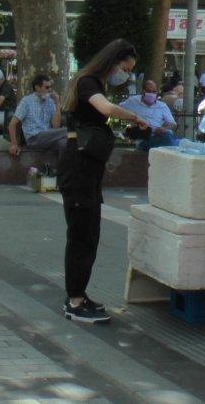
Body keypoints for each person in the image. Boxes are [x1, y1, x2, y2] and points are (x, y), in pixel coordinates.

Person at [58, 39, 149, 322]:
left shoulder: (90, 83)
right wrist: (133, 117)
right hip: (79, 169)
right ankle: (74, 301)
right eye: (124, 67)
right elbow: (106, 109)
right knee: (81, 235)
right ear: (112, 62)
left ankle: (79, 293)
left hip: (87, 169)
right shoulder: (88, 83)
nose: (125, 74)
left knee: (89, 234)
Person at [8, 74, 68, 156]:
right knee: (68, 131)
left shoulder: (50, 101)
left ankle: (61, 168)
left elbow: (56, 126)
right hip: (34, 137)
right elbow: (12, 124)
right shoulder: (26, 102)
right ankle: (76, 132)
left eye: (50, 87)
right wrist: (13, 144)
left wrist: (57, 103)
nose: (49, 90)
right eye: (46, 87)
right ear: (37, 88)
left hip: (49, 136)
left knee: (64, 143)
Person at [120, 79, 179, 151]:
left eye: (154, 92)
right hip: (143, 138)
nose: (151, 94)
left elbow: (173, 124)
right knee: (169, 141)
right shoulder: (133, 101)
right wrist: (132, 120)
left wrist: (164, 129)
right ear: (143, 91)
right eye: (149, 91)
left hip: (160, 135)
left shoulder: (162, 106)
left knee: (170, 137)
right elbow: (118, 109)